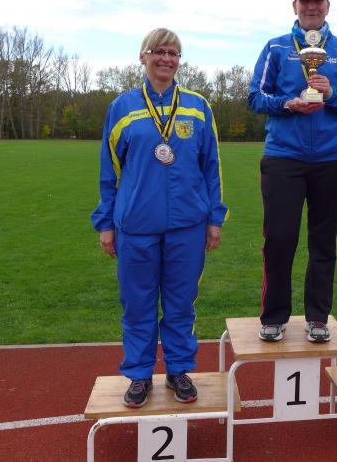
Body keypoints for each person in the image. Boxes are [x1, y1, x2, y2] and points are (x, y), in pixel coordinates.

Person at [91, 28, 228, 407]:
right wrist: (105, 223)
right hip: (136, 225)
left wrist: (215, 218)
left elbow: (211, 167)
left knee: (181, 303)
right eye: (159, 51)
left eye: (173, 53)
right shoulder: (122, 107)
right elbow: (109, 170)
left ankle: (178, 369)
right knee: (138, 304)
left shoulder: (198, 107)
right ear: (143, 56)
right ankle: (139, 375)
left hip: (188, 225)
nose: (166, 58)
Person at [248, 0, 337, 343]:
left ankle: (318, 318)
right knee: (280, 239)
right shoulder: (275, 47)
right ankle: (274, 316)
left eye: (318, 1)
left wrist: (332, 95)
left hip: (333, 158)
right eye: (306, 1)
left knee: (323, 242)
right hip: (284, 157)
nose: (312, 7)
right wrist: (287, 104)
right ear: (295, 6)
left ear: (328, 6)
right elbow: (255, 97)